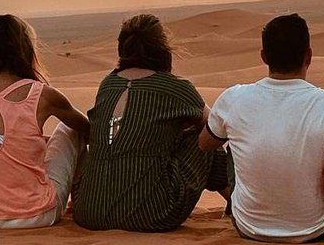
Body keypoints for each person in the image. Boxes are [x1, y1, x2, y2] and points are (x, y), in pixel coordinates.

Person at [198, 14, 324, 243]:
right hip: (316, 230)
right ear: (308, 56)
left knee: (232, 142)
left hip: (247, 226)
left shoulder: (233, 98)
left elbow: (205, 144)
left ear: (263, 57)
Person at [72, 14, 232, 232]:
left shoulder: (108, 84)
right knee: (201, 134)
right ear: (162, 48)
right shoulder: (174, 88)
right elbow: (216, 126)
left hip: (89, 210)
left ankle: (233, 197)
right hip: (150, 213)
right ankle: (234, 197)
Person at [0, 15, 88, 229]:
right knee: (69, 130)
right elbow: (87, 129)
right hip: (31, 214)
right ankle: (85, 204)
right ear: (25, 49)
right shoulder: (42, 95)